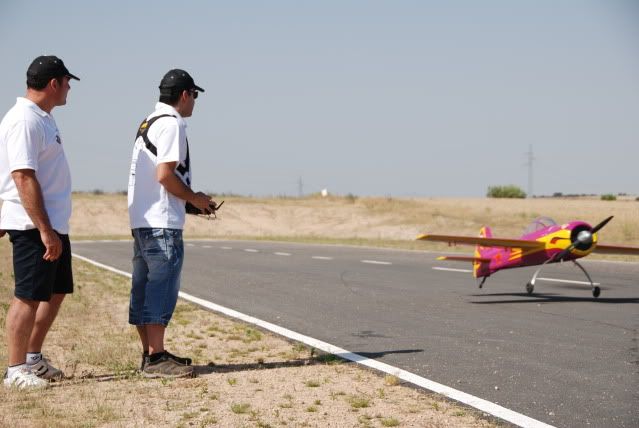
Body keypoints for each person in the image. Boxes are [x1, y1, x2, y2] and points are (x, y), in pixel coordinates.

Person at [127, 69, 216, 378]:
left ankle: (150, 354)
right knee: (161, 288)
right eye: (195, 95)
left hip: (142, 219)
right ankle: (157, 358)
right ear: (184, 94)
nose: (195, 102)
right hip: (161, 223)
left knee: (144, 287)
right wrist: (195, 198)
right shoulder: (173, 124)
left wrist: (189, 201)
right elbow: (165, 176)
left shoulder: (148, 122)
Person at [0, 56, 79, 389]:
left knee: (57, 291)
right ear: (53, 84)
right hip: (34, 226)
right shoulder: (24, 120)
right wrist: (44, 229)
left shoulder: (42, 118)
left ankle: (32, 357)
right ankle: (15, 369)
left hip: (52, 223)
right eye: (67, 82)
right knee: (28, 296)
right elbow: (21, 175)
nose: (69, 88)